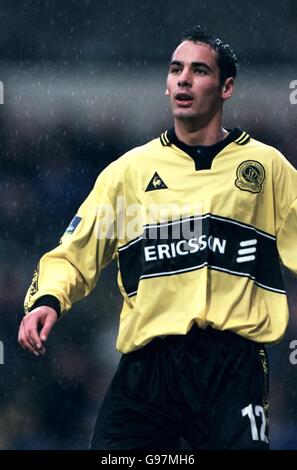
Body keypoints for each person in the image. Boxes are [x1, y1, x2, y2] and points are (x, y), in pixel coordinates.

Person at [18, 27, 297, 450]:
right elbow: (75, 253)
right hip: (149, 367)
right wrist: (47, 299)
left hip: (232, 366)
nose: (183, 79)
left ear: (226, 87)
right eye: (175, 70)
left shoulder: (267, 167)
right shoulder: (127, 173)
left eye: (199, 70)